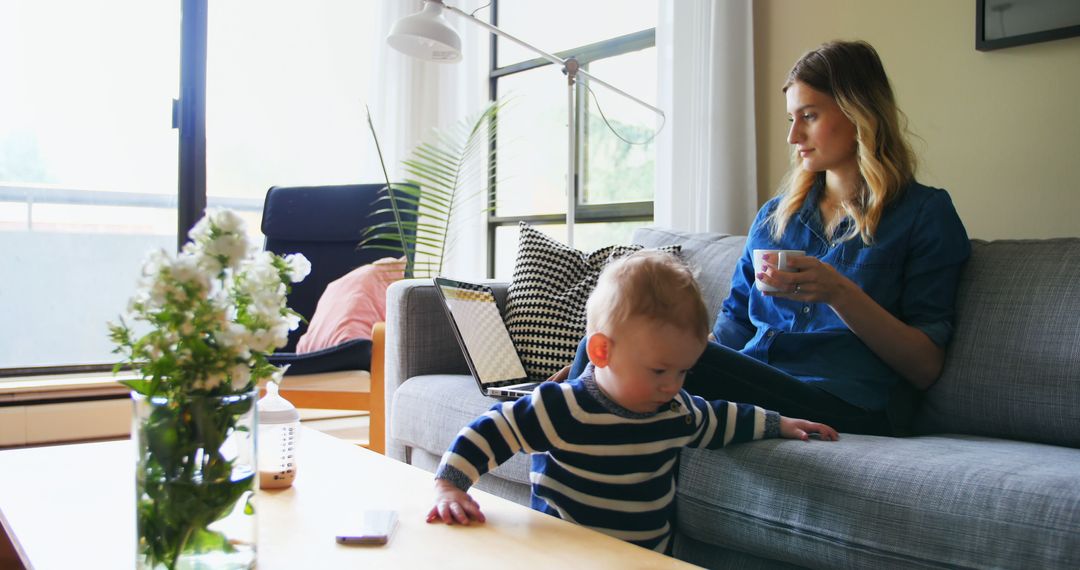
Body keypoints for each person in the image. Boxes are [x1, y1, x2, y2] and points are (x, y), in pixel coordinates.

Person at [562, 40, 970, 436]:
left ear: (859, 113)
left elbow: (925, 366)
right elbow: (734, 324)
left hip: (848, 401)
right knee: (603, 349)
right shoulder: (777, 217)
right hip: (757, 382)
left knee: (623, 358)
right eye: (792, 119)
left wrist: (839, 293)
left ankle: (552, 459)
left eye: (808, 116)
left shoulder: (922, 215)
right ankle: (555, 471)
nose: (793, 137)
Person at [427, 250, 838, 553]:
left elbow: (722, 419)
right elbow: (493, 430)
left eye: (683, 372)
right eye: (660, 371)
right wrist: (451, 484)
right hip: (563, 555)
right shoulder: (563, 406)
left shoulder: (676, 411)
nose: (672, 385)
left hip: (647, 558)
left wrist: (779, 423)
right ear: (601, 352)